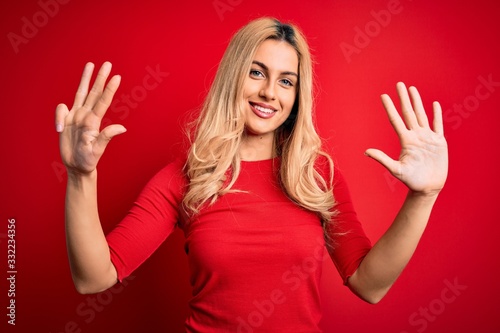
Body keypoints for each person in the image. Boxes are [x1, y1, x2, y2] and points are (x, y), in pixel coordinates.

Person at [54, 17, 448, 332]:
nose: (270, 93)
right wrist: (79, 176)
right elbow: (94, 277)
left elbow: (369, 283)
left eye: (286, 81)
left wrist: (423, 197)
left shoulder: (317, 175)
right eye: (257, 73)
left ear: (296, 96)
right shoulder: (184, 178)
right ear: (233, 77)